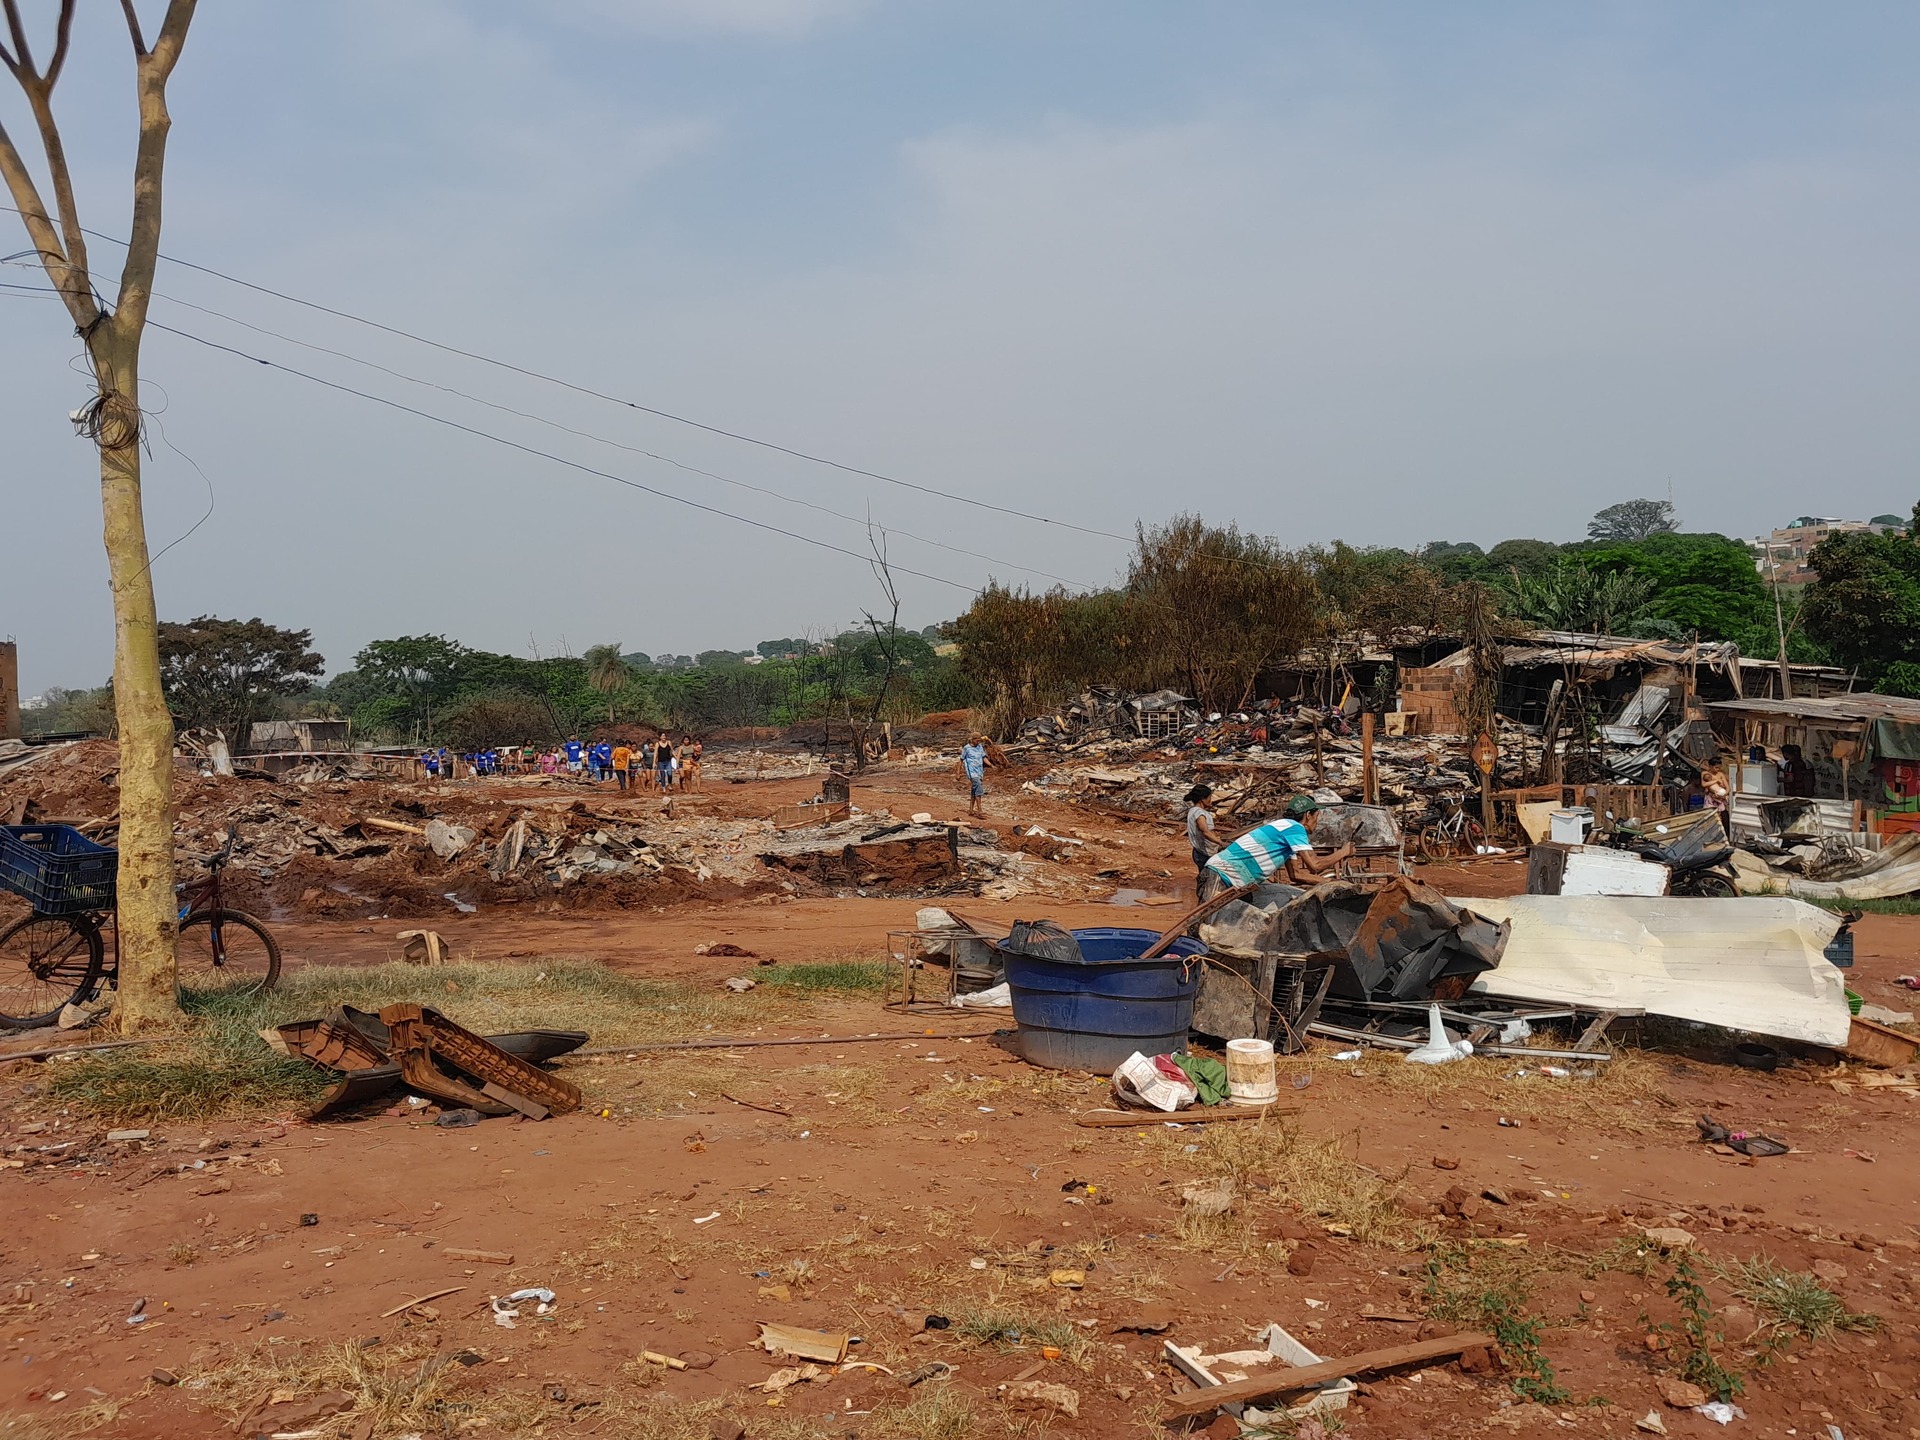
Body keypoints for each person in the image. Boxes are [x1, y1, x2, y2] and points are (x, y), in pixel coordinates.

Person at [1205, 794, 1354, 893]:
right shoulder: (1295, 828)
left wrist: (1331, 882)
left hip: (1231, 877)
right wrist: (1343, 852)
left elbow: (1295, 874)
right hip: (1223, 874)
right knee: (1205, 925)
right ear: (1308, 815)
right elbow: (1315, 865)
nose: (1317, 822)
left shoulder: (1285, 830)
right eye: (1316, 816)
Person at [1184, 784, 1219, 901]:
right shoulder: (1200, 813)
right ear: (1202, 799)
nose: (1211, 800)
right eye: (1209, 797)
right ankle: (1205, 905)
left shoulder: (1192, 811)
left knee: (1205, 879)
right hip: (1205, 853)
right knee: (1208, 881)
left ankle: (1203, 903)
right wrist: (1221, 843)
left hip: (1198, 851)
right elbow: (1205, 832)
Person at [960, 733, 990, 817]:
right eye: (977, 741)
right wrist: (958, 773)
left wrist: (991, 765)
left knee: (974, 790)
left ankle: (971, 809)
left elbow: (983, 758)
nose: (978, 742)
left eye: (979, 741)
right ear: (972, 740)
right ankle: (979, 810)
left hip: (979, 771)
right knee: (978, 788)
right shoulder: (966, 748)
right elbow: (961, 760)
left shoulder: (980, 747)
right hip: (971, 772)